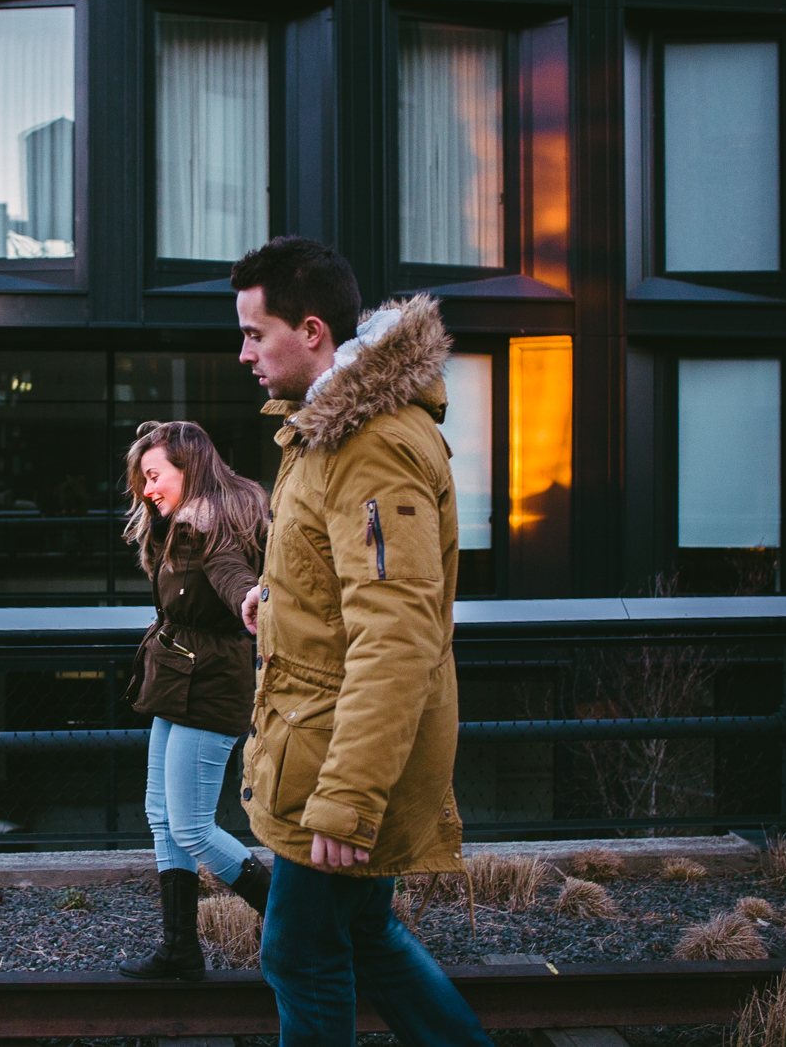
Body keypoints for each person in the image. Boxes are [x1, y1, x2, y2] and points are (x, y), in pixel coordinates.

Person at [231, 237, 491, 1047]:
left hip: (341, 757)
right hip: (328, 738)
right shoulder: (327, 432)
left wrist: (347, 801)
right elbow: (344, 584)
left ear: (311, 330)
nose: (243, 354)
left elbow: (397, 633)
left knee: (299, 949)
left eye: (254, 332)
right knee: (366, 937)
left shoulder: (368, 443)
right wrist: (272, 600)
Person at [117, 420, 274, 982]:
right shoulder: (177, 526)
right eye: (142, 480)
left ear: (190, 468)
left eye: (155, 476)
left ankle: (299, 923)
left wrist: (250, 600)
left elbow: (233, 575)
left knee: (192, 828)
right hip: (177, 679)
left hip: (210, 682)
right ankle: (181, 952)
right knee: (162, 818)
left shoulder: (214, 525)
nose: (147, 489)